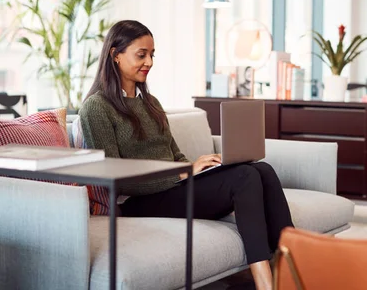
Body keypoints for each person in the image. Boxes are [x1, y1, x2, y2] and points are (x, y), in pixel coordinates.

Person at [79, 20, 293, 290]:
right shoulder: (96, 108)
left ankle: (295, 265)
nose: (149, 62)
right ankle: (266, 283)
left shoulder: (151, 103)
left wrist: (202, 166)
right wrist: (183, 172)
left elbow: (175, 155)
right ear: (115, 55)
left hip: (173, 188)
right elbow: (115, 179)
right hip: (138, 201)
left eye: (152, 54)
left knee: (262, 170)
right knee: (245, 177)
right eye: (141, 54)